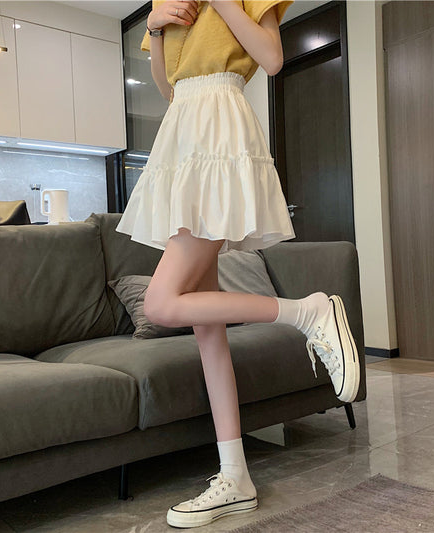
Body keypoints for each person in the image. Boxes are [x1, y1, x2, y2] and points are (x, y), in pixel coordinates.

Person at [115, 0, 360, 528]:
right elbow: (168, 85)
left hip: (218, 131)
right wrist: (154, 27)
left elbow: (271, 58)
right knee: (208, 332)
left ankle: (308, 312)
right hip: (182, 132)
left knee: (161, 303)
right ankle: (235, 477)